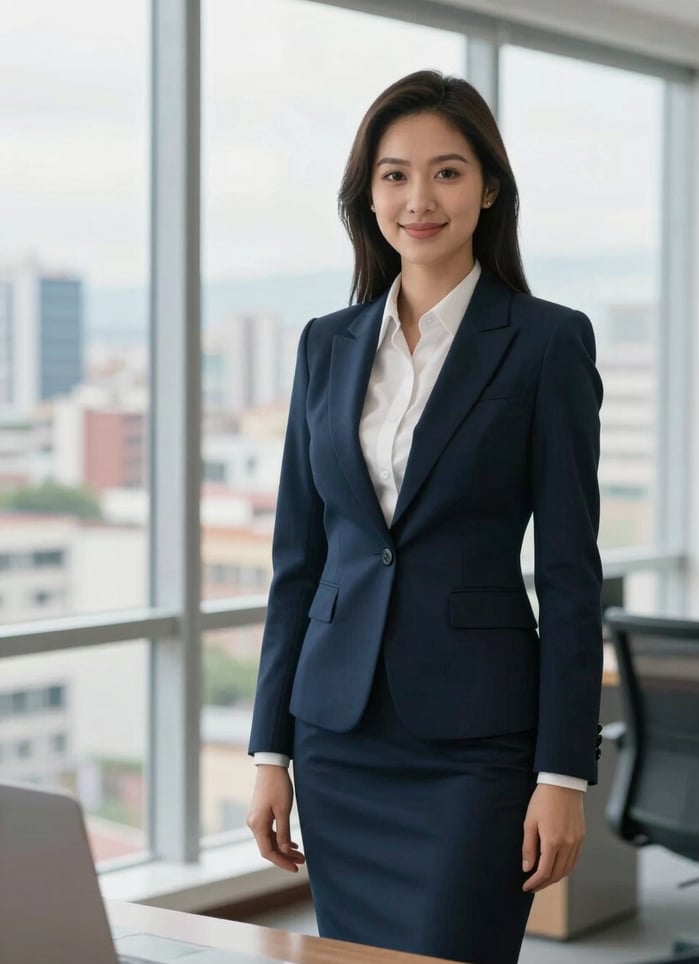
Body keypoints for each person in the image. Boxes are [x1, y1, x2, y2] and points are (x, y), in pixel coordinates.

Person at [246, 69, 603, 964]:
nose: (419, 199)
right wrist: (268, 751)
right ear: (368, 197)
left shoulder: (547, 342)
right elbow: (301, 561)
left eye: (446, 172)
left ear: (488, 188)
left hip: (476, 749)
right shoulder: (326, 344)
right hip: (338, 737)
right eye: (394, 175)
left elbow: (569, 575)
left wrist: (563, 772)